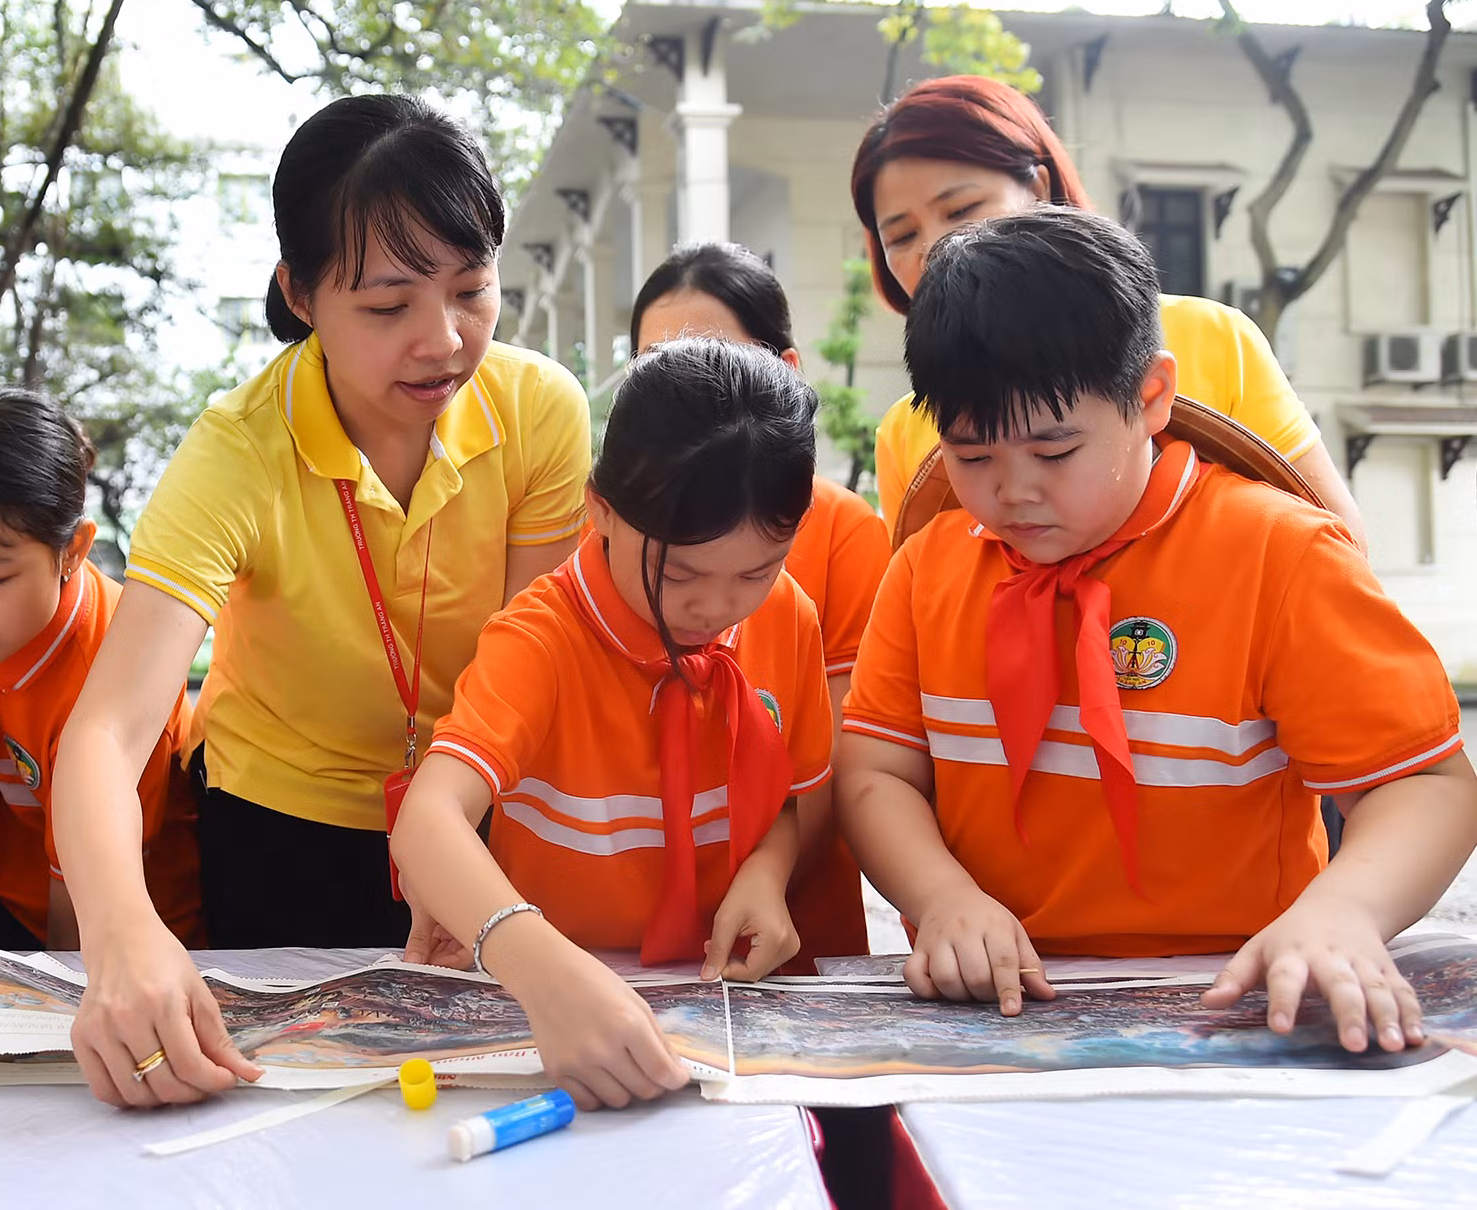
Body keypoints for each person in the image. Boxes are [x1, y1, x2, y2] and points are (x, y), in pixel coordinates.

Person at [53, 94, 592, 1109]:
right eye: (388, 306)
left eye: (474, 292)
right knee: (292, 1111)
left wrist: (463, 859)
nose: (443, 342)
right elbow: (108, 733)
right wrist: (121, 934)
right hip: (279, 827)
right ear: (300, 294)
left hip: (476, 810)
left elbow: (534, 676)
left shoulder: (539, 412)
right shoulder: (237, 451)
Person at [836, 208, 1477, 1054]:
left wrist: (1341, 917)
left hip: (1242, 994)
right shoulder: (929, 567)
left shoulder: (1277, 555)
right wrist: (942, 897)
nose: (1012, 492)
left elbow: (1425, 787)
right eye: (973, 455)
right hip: (996, 1009)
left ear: (1152, 395)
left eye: (1055, 451)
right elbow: (877, 771)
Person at [391, 337, 832, 1109]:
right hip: (561, 1013)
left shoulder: (787, 617)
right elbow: (429, 819)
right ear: (600, 506)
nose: (716, 608)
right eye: (682, 573)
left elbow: (792, 799)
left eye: (756, 571)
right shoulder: (543, 638)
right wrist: (540, 971)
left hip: (724, 1016)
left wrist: (766, 875)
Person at [852, 74, 1365, 543]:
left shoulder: (1211, 336)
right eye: (900, 235)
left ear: (1039, 188)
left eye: (961, 209)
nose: (937, 246)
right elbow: (917, 608)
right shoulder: (905, 432)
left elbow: (1338, 553)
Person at [630, 242, 887, 961]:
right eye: (659, 369)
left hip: (798, 931)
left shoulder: (841, 532)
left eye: (716, 359)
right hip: (646, 928)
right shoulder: (629, 543)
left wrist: (765, 870)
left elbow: (831, 762)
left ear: (787, 370)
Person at [0, 387, 197, 952]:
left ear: (73, 550)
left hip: (131, 933)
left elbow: (82, 887)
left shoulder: (115, 660)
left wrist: (55, 986)